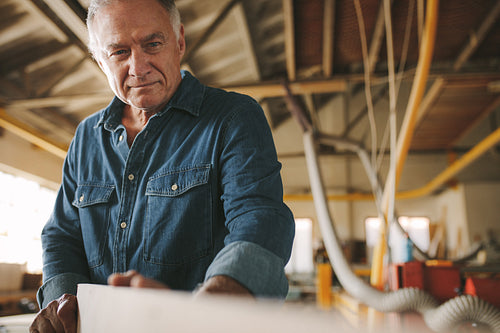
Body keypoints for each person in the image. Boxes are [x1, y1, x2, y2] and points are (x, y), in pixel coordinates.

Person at [29, 0, 295, 331]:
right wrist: (61, 302)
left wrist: (209, 307)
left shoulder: (233, 118)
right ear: (100, 59)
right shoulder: (86, 137)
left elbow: (260, 219)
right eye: (119, 53)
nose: (139, 67)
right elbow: (62, 235)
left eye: (152, 44)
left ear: (179, 41)